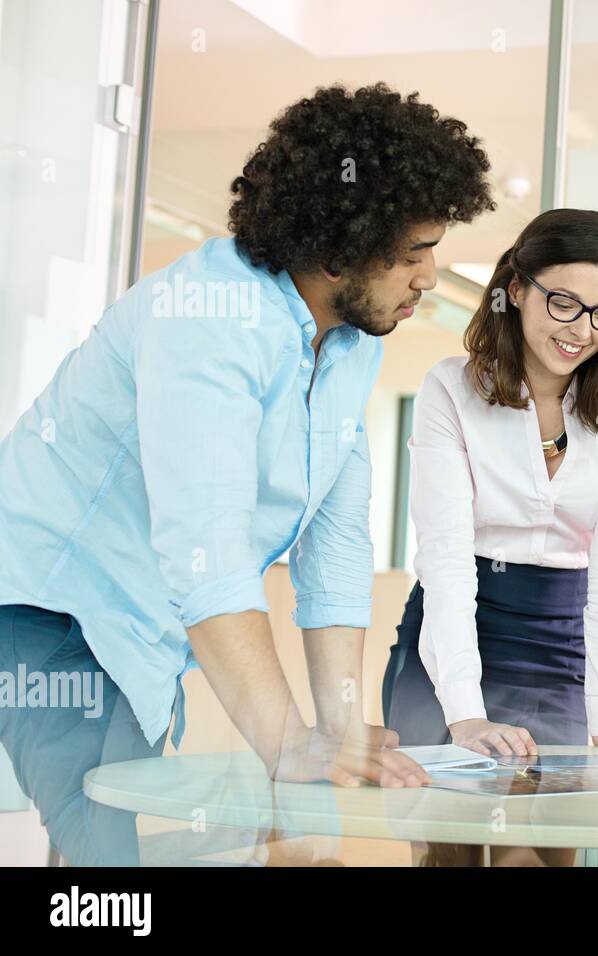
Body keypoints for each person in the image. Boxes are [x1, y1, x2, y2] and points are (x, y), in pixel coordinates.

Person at [0, 83, 496, 865]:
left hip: (146, 628)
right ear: (338, 247)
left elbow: (333, 543)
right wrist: (289, 743)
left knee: (177, 830)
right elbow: (208, 551)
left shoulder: (349, 343)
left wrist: (332, 725)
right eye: (412, 253)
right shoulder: (209, 319)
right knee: (106, 860)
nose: (430, 276)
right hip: (49, 609)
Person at [382, 208, 598, 867]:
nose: (582, 330)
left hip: (562, 644)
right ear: (514, 288)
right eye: (563, 303)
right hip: (452, 634)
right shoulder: (451, 388)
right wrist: (465, 713)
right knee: (454, 845)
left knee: (545, 850)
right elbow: (447, 559)